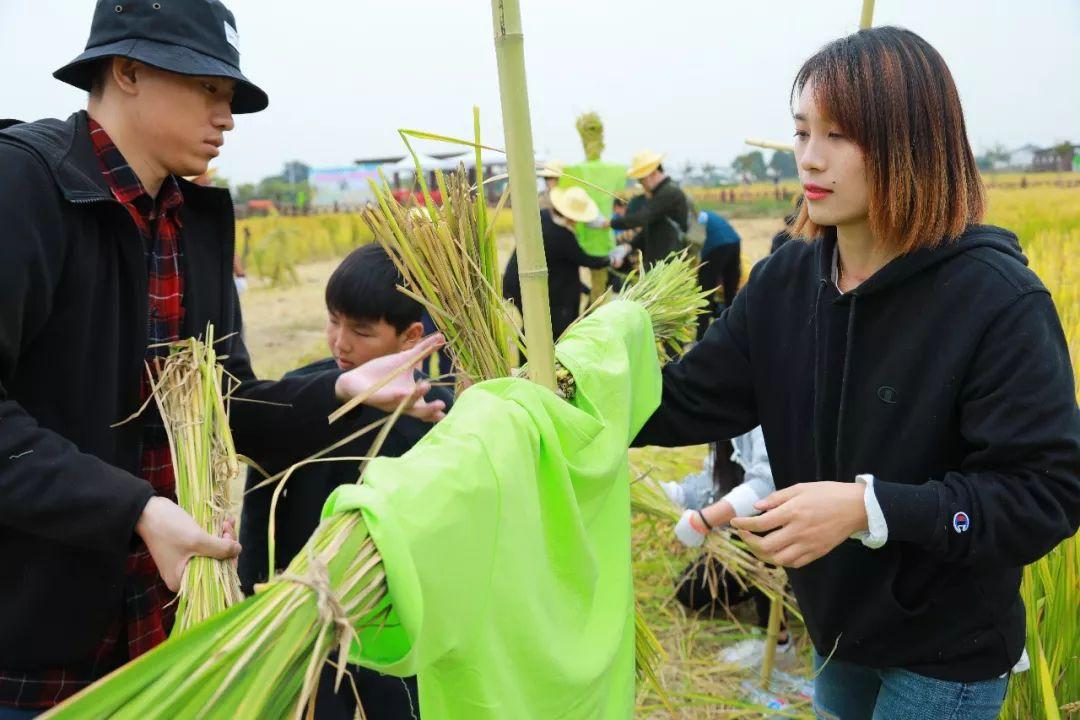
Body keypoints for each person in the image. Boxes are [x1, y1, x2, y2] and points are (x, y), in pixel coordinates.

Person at [0, 3, 444, 716]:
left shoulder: (192, 222)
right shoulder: (24, 188)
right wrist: (136, 508)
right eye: (209, 89)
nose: (227, 116)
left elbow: (229, 403)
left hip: (161, 627)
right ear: (128, 71)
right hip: (30, 646)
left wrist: (341, 390)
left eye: (230, 97)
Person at [633, 27, 1080, 720]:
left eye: (840, 136)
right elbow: (689, 398)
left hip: (947, 655)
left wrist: (867, 508)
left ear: (912, 144)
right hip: (839, 633)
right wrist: (556, 388)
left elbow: (1045, 493)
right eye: (803, 131)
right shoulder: (786, 280)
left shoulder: (995, 301)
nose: (810, 158)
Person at [240, 244, 452, 720]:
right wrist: (252, 584)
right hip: (307, 610)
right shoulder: (303, 395)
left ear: (410, 335)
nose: (340, 343)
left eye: (361, 330)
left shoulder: (439, 417)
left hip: (394, 618)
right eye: (333, 321)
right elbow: (259, 499)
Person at [662, 428, 794, 669]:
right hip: (742, 537)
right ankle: (781, 590)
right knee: (692, 590)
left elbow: (768, 483)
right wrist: (671, 494)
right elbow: (712, 484)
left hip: (789, 530)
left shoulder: (765, 411)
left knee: (761, 524)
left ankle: (779, 640)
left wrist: (703, 520)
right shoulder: (726, 416)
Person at [503, 187, 611, 339]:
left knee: (532, 326)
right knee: (541, 329)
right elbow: (584, 259)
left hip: (519, 279)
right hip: (524, 286)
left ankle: (530, 358)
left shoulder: (544, 216)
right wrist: (610, 259)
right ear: (571, 217)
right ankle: (534, 360)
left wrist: (583, 288)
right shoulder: (560, 235)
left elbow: (559, 263)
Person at [603, 150, 690, 268]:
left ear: (651, 174)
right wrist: (629, 246)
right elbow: (651, 227)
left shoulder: (669, 193)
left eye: (641, 180)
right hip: (659, 261)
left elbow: (641, 218)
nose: (641, 184)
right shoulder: (661, 193)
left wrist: (609, 223)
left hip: (668, 262)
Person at [694, 209, 742, 339]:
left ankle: (701, 336)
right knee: (730, 292)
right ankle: (735, 331)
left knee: (704, 293)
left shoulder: (692, 218)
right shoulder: (706, 214)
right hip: (735, 242)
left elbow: (693, 245)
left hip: (716, 246)